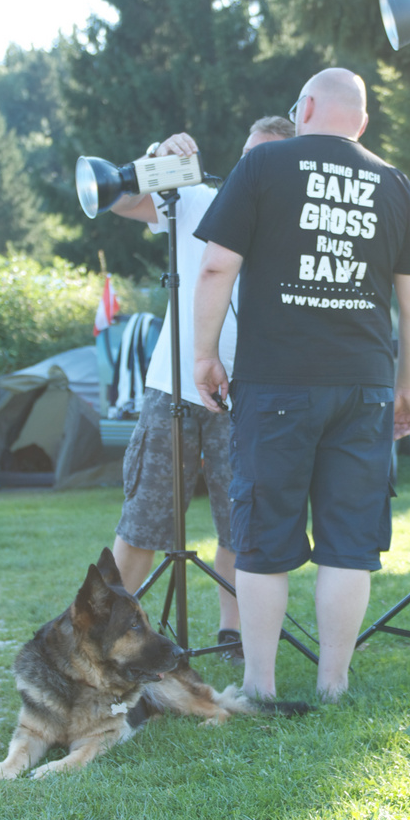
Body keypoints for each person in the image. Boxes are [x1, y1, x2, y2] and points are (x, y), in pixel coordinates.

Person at [190, 67, 410, 703]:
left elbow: (218, 264)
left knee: (264, 539)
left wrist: (204, 355)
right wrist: (408, 387)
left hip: (276, 384)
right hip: (366, 385)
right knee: (348, 543)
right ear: (361, 121)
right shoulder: (396, 184)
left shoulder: (263, 168)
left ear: (304, 108)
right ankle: (333, 684)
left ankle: (259, 686)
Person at [105, 117, 295, 660]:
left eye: (264, 158)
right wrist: (160, 158)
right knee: (145, 517)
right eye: (246, 156)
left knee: (242, 521)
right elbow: (121, 200)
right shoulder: (200, 199)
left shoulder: (297, 224)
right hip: (175, 388)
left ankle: (233, 631)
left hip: (250, 393)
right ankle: (112, 634)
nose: (249, 169)